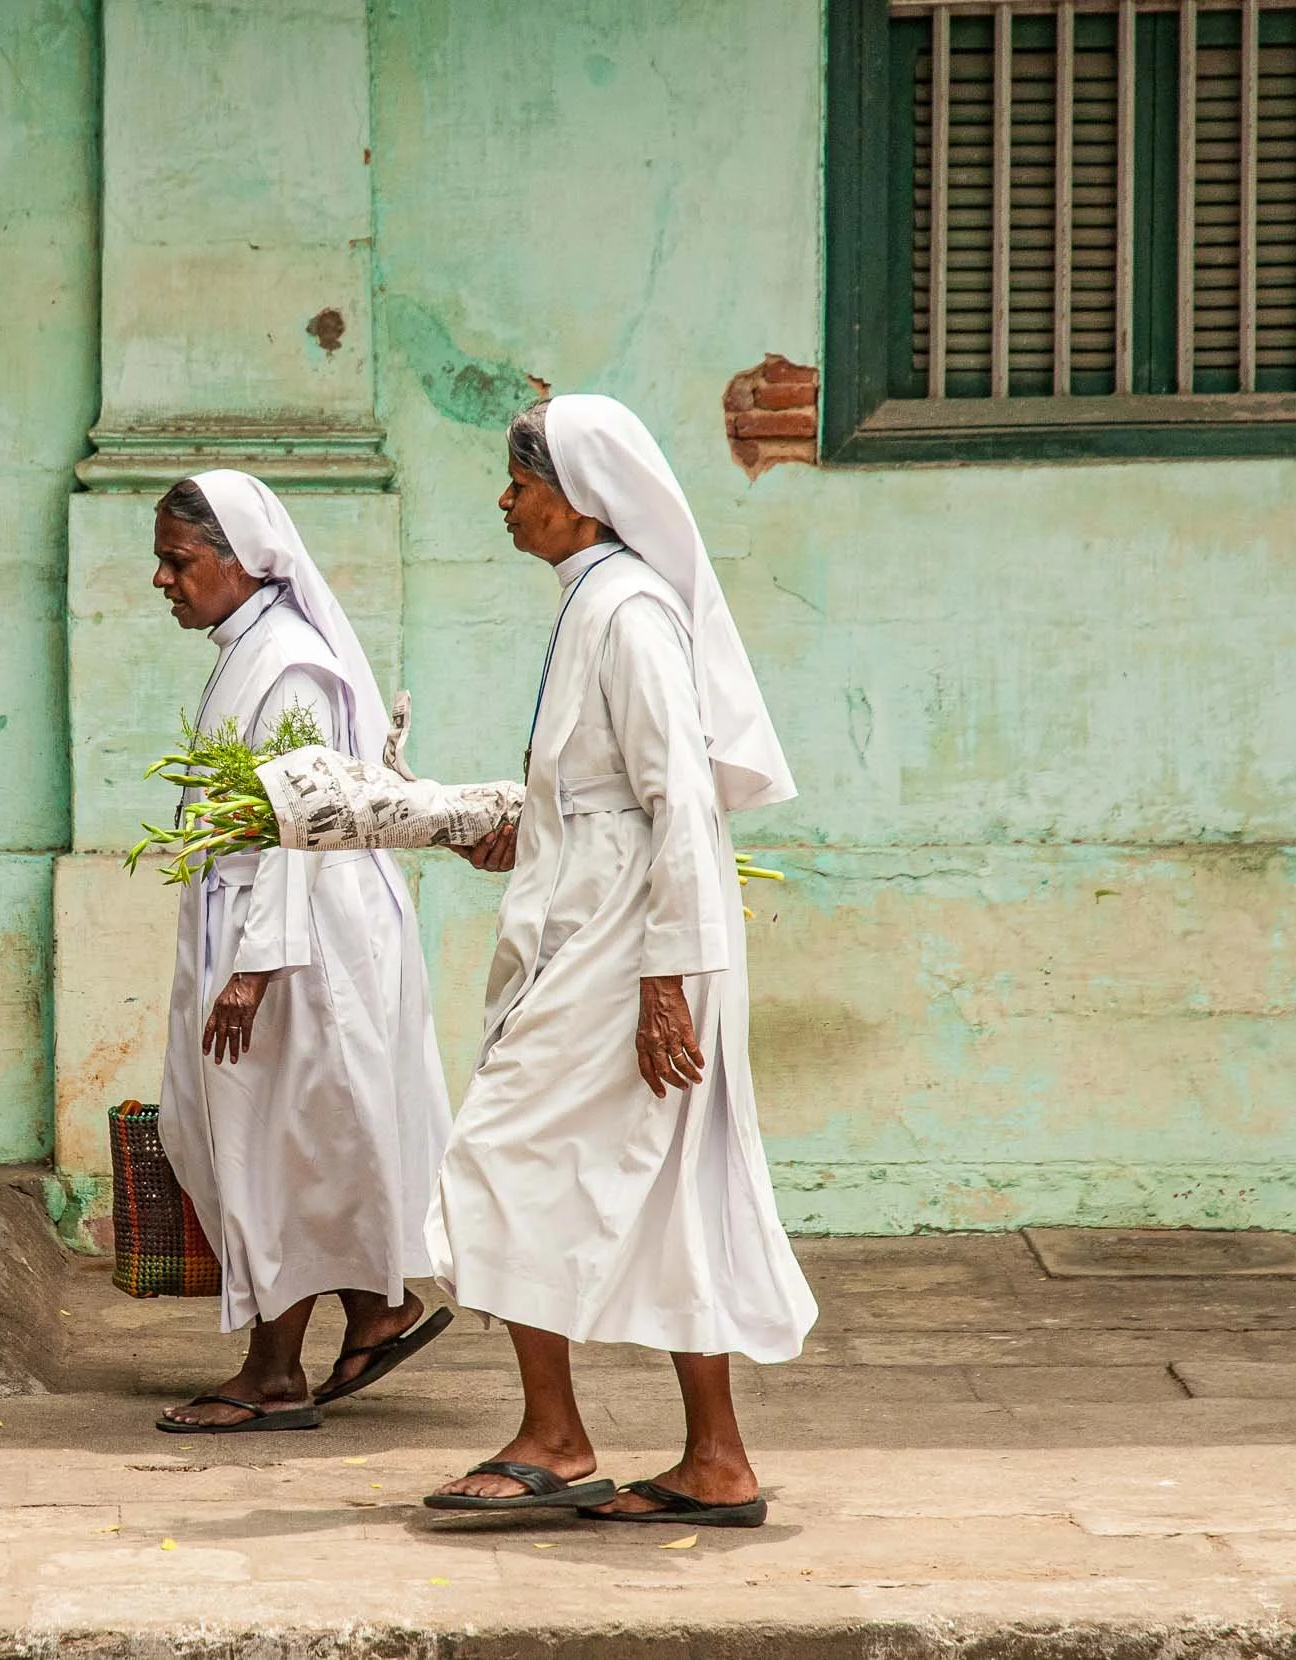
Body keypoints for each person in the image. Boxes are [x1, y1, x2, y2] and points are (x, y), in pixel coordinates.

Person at [422, 396, 816, 1524]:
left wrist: (663, 981)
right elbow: (601, 793)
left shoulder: (631, 612)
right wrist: (526, 827)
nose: (504, 501)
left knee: (496, 1152)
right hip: (609, 924)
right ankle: (716, 1459)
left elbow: (677, 800)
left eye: (517, 481)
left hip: (633, 942)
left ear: (578, 494)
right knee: (669, 1187)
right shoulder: (592, 603)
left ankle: (553, 1433)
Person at [148, 470, 456, 1435]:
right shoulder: (249, 649)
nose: (163, 580)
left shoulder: (286, 665)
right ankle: (373, 1310)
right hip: (266, 930)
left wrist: (255, 964)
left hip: (299, 943)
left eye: (178, 560)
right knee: (302, 1137)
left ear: (241, 561)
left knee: (272, 1143)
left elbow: (303, 823)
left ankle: (273, 1372)